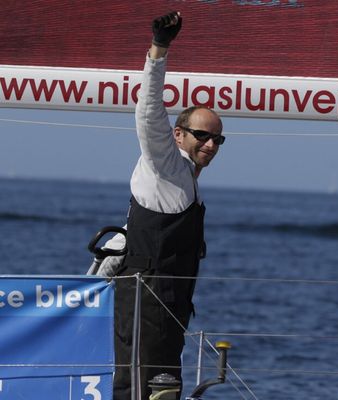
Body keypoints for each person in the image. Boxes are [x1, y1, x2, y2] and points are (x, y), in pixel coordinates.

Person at [111, 11, 225, 400]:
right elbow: (148, 112)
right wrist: (159, 49)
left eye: (217, 140)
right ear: (178, 134)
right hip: (145, 297)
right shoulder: (163, 162)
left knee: (162, 387)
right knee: (137, 385)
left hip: (171, 303)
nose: (210, 144)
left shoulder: (188, 180)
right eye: (202, 135)